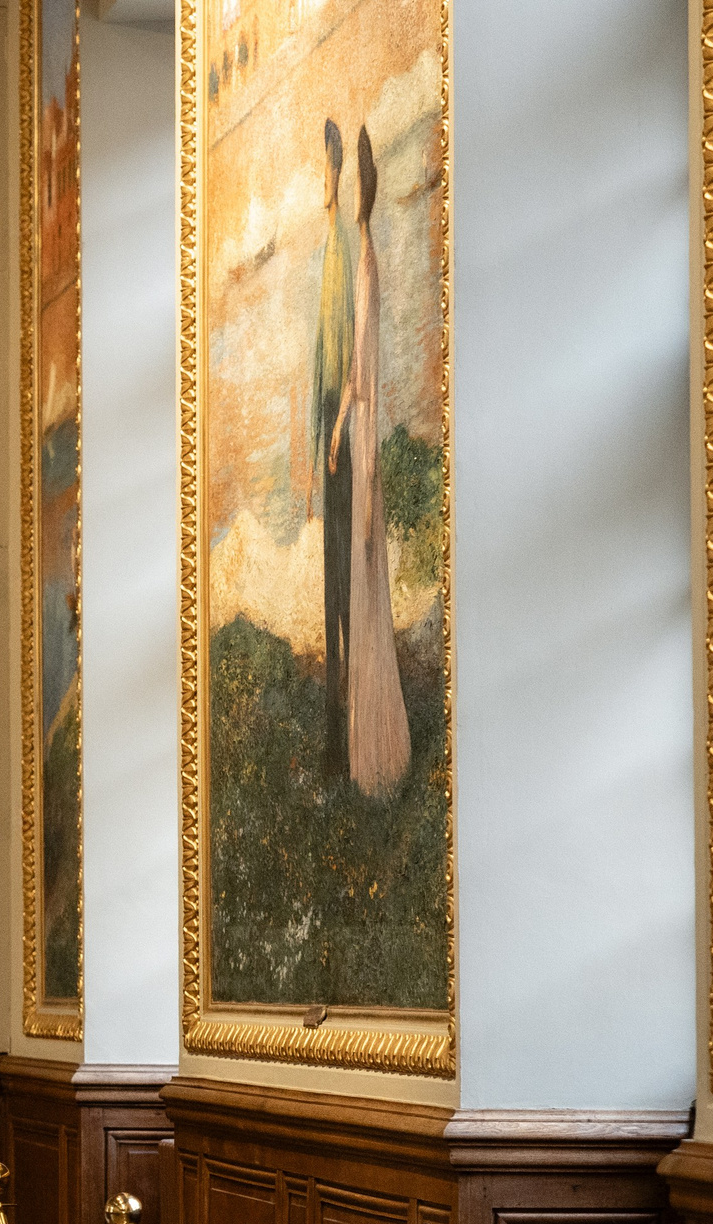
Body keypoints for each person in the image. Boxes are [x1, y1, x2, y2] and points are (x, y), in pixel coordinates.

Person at [334, 126, 410, 799]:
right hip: (365, 434)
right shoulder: (368, 253)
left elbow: (359, 370)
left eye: (354, 181)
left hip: (362, 439)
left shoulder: (364, 259)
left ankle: (377, 754)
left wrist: (335, 430)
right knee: (368, 576)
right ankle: (374, 750)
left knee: (364, 566)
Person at [308, 116, 356, 783]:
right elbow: (317, 355)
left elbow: (345, 367)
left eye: (327, 168)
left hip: (340, 435)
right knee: (328, 581)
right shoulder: (329, 244)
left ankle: (340, 736)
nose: (320, 180)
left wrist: (335, 434)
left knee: (340, 581)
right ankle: (332, 725)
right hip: (327, 430)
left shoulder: (343, 248)